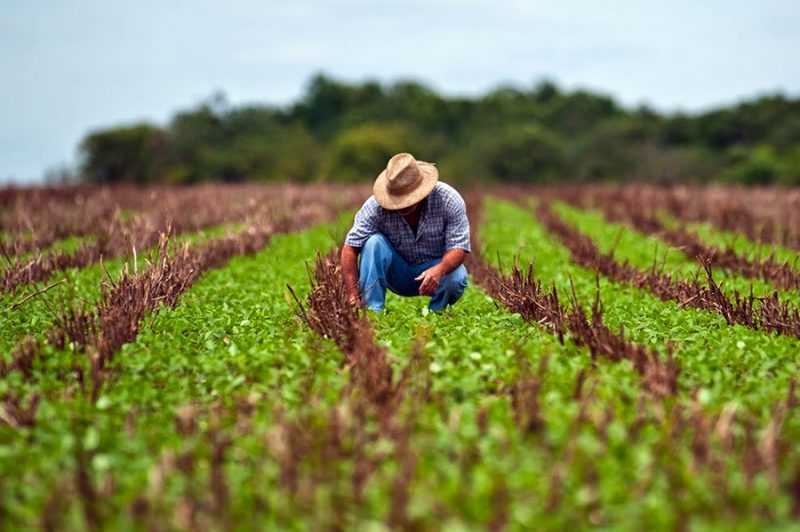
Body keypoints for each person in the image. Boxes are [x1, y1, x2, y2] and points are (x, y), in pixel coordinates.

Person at [341, 152, 470, 312]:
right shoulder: (375, 207)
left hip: (435, 269)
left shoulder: (448, 200)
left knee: (457, 276)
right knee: (373, 243)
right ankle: (372, 313)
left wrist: (439, 269)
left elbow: (459, 247)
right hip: (397, 272)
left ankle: (436, 314)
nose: (403, 205)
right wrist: (353, 294)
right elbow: (350, 248)